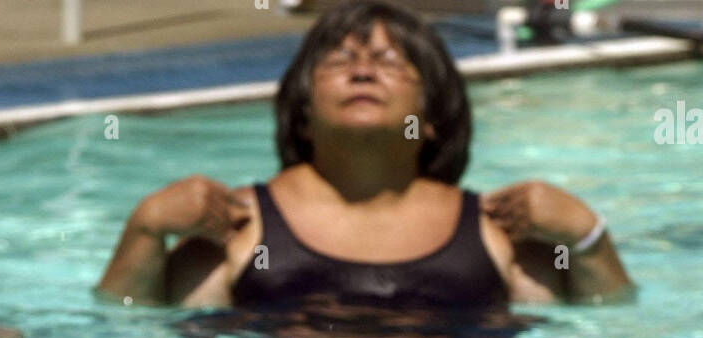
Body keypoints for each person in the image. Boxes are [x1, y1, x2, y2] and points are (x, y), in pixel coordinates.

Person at [97, 1, 631, 320]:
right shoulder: (231, 227)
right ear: (303, 113)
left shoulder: (498, 233)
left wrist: (587, 237)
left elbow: (600, 333)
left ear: (432, 116)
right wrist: (143, 230)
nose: (363, 73)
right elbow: (133, 336)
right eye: (340, 61)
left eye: (390, 64)